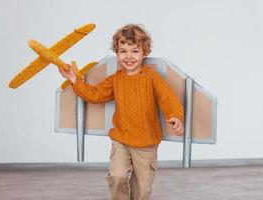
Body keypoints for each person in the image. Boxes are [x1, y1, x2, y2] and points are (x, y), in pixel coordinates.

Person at [59, 24, 184, 200]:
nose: (129, 56)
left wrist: (175, 116)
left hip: (147, 144)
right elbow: (95, 95)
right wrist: (74, 79)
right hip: (121, 140)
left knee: (143, 189)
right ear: (117, 53)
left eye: (134, 51)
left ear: (144, 52)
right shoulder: (116, 79)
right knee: (117, 176)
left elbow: (167, 98)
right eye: (123, 51)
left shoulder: (151, 77)